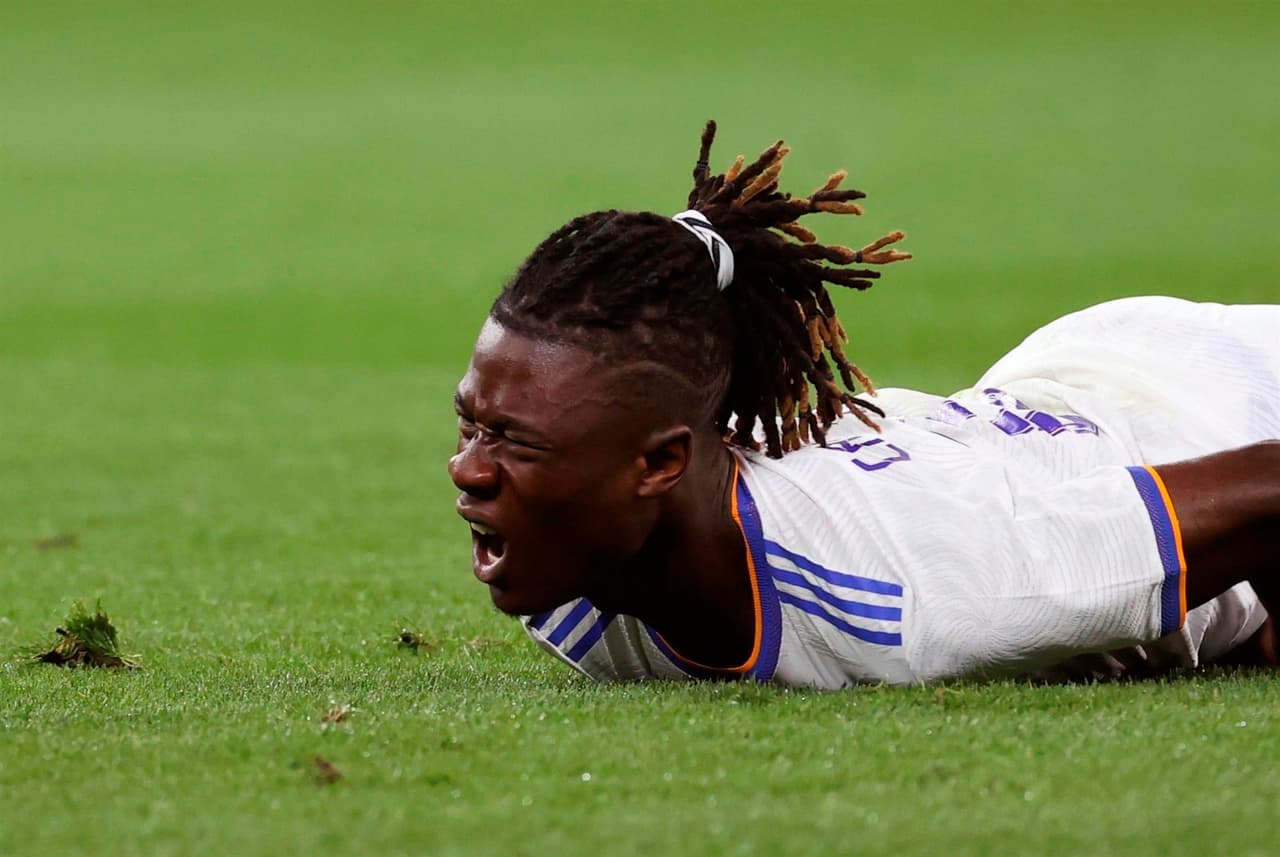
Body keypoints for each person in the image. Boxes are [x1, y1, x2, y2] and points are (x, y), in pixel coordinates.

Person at [448, 121, 1280, 688]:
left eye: (515, 442)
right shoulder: (568, 579)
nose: (467, 470)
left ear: (662, 462)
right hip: (1062, 394)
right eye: (472, 423)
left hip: (1228, 399)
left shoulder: (927, 596)